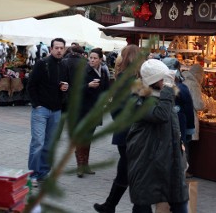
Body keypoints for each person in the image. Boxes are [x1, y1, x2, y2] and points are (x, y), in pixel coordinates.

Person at [126, 59, 189, 213]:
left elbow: (173, 127)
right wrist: (168, 89)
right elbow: (160, 115)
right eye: (163, 78)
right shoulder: (138, 99)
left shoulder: (164, 95)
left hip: (170, 159)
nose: (167, 81)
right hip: (146, 160)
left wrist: (181, 155)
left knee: (179, 203)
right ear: (153, 80)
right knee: (143, 204)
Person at [94, 44, 142, 213]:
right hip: (133, 132)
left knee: (126, 169)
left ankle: (111, 206)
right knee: (130, 170)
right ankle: (117, 206)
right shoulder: (136, 80)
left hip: (125, 132)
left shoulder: (125, 79)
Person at [27, 37, 69, 187]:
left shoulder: (64, 65)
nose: (59, 50)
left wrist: (64, 87)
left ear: (64, 49)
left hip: (56, 110)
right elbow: (31, 85)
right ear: (51, 49)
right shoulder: (42, 63)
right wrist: (36, 104)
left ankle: (43, 174)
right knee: (38, 142)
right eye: (56, 48)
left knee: (50, 143)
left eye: (61, 48)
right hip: (41, 109)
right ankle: (32, 174)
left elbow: (64, 84)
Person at [74, 48, 110, 177]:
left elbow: (106, 88)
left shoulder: (104, 72)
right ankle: (80, 166)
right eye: (91, 58)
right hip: (83, 109)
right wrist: (88, 86)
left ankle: (86, 164)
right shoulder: (83, 71)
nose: (92, 60)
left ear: (100, 60)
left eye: (95, 58)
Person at [181, 54, 205, 166]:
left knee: (182, 143)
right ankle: (185, 170)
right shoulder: (194, 84)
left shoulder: (183, 80)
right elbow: (198, 104)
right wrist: (205, 105)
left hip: (181, 116)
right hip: (189, 117)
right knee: (186, 144)